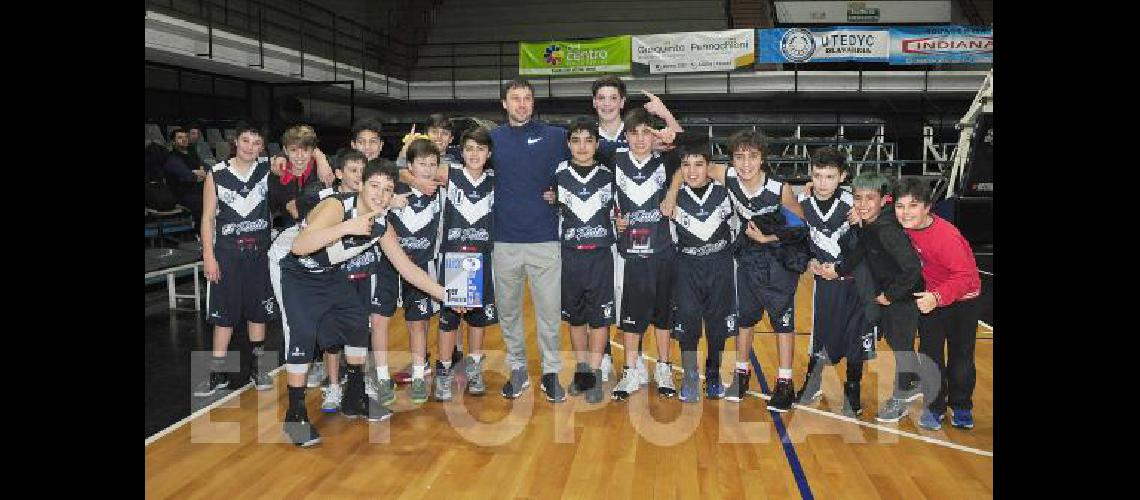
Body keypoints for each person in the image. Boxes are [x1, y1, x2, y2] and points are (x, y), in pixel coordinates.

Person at [279, 160, 452, 447]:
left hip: (329, 273)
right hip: (295, 271)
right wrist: (348, 227)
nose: (380, 195)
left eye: (387, 190)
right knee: (303, 336)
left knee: (358, 323)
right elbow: (300, 246)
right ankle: (295, 415)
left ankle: (355, 396)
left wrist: (446, 295)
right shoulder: (337, 207)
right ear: (360, 185)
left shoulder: (382, 224)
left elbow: (407, 269)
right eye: (374, 186)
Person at [662, 129, 807, 410]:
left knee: (783, 322)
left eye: (752, 157)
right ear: (732, 160)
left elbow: (799, 226)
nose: (745, 164)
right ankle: (741, 373)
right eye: (739, 157)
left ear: (762, 158)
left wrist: (768, 238)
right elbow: (687, 167)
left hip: (777, 262)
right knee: (745, 319)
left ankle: (785, 382)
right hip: (746, 259)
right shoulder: (729, 176)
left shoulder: (779, 188)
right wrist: (671, 192)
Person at [487, 79, 570, 402]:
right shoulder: (491, 140)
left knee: (549, 312)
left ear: (533, 103)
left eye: (527, 99)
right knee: (508, 313)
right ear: (504, 104)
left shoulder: (555, 137)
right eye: (515, 99)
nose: (522, 104)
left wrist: (562, 193)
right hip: (504, 241)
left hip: (544, 240)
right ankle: (517, 369)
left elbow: (590, 157)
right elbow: (445, 164)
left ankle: (551, 373)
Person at [820, 172, 925, 422]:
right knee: (897, 344)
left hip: (904, 297)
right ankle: (914, 380)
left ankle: (903, 394)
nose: (863, 204)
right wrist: (836, 270)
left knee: (901, 347)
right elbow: (861, 251)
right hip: (891, 294)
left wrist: (890, 295)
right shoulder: (872, 224)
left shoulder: (887, 229)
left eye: (870, 198)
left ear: (884, 200)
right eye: (858, 198)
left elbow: (912, 268)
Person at [194, 122, 278, 397]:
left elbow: (304, 155)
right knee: (224, 316)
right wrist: (208, 255)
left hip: (259, 254)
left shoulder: (268, 169)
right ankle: (218, 372)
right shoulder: (216, 174)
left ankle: (258, 367)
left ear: (262, 147)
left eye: (256, 143)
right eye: (245, 141)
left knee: (259, 312)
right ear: (235, 142)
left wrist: (322, 160)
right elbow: (207, 218)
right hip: (227, 254)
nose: (250, 148)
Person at [893, 177, 982, 431]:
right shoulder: (903, 223)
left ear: (928, 207)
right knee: (930, 355)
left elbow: (965, 278)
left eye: (913, 206)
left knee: (961, 357)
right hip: (931, 296)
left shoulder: (947, 237)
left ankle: (962, 405)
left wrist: (937, 297)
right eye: (900, 206)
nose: (905, 212)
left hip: (962, 299)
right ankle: (935, 406)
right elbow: (883, 202)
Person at [610, 108, 685, 401]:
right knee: (631, 315)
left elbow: (684, 144)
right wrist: (613, 218)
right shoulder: (614, 159)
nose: (640, 139)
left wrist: (672, 192)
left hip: (664, 249)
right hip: (630, 253)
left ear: (654, 136)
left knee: (664, 316)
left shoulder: (666, 161)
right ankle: (630, 370)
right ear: (625, 136)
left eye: (646, 132)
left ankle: (664, 368)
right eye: (634, 133)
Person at [796, 147, 869, 417]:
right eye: (818, 175)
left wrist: (862, 224)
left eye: (829, 176)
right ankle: (812, 382)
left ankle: (853, 388)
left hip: (857, 282)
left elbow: (871, 244)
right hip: (825, 283)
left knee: (857, 337)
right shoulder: (801, 204)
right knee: (822, 334)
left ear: (843, 176)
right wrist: (808, 262)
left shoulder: (856, 204)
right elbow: (797, 243)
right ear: (810, 175)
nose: (822, 182)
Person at [372, 139, 445, 405]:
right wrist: (390, 200)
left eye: (432, 164)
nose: (427, 169)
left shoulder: (442, 192)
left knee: (418, 324)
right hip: (388, 265)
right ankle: (381, 376)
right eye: (421, 164)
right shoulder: (394, 189)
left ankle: (418, 374)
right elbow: (369, 199)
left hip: (422, 266)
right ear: (410, 165)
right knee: (379, 321)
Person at [550, 117, 616, 404]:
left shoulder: (609, 175)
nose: (582, 146)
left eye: (588, 140)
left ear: (597, 144)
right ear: (568, 144)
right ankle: (582, 371)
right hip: (570, 255)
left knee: (599, 318)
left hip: (601, 254)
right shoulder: (558, 173)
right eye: (576, 140)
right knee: (576, 317)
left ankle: (597, 372)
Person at [666, 136, 737, 402]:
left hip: (719, 265)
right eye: (686, 165)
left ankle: (714, 373)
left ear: (710, 166)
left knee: (718, 325)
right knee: (687, 325)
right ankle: (690, 376)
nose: (692, 171)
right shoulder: (673, 196)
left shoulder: (725, 192)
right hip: (686, 266)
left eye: (699, 164)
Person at [432, 126, 498, 401]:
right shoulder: (450, 174)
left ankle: (473, 367)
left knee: (477, 318)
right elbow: (411, 171)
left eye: (480, 148)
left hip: (482, 257)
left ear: (489, 153)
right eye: (469, 148)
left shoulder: (496, 179)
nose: (474, 153)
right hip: (454, 257)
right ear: (461, 151)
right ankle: (444, 371)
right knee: (449, 320)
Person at [162, 127, 207, 225]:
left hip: (198, 190)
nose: (184, 139)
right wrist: (197, 174)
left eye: (186, 136)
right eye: (180, 137)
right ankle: (200, 233)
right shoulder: (172, 159)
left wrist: (199, 173)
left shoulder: (193, 155)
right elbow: (189, 177)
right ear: (173, 142)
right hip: (182, 194)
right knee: (202, 203)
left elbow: (207, 170)